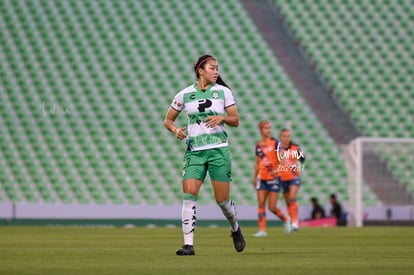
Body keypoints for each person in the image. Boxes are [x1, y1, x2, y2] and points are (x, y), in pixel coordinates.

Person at [164, 54, 245, 256]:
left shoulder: (223, 92)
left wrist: (223, 118)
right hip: (194, 152)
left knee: (222, 200)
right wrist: (175, 130)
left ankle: (235, 228)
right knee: (189, 197)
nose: (216, 71)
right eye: (212, 68)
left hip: (218, 150)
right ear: (201, 70)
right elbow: (168, 120)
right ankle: (188, 245)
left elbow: (236, 120)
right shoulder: (184, 94)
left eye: (217, 68)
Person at [252, 120, 291, 237]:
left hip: (273, 178)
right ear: (261, 130)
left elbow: (283, 159)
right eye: (266, 128)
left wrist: (278, 170)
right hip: (262, 178)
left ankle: (285, 219)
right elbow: (258, 162)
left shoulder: (275, 143)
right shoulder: (258, 146)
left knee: (272, 207)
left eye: (269, 128)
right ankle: (263, 230)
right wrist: (254, 177)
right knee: (261, 203)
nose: (268, 130)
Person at [277, 129, 305, 231]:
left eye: (288, 136)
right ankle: (292, 219)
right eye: (284, 136)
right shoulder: (278, 149)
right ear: (281, 137)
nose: (286, 138)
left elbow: (302, 159)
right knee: (288, 202)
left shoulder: (295, 148)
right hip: (283, 178)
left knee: (292, 198)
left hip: (294, 177)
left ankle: (295, 222)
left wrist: (297, 164)